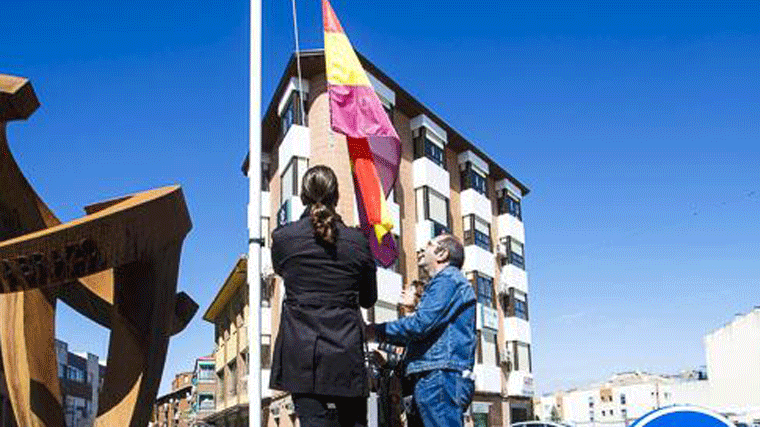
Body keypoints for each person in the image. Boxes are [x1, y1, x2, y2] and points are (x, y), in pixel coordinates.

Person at [270, 165, 378, 427]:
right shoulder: (358, 241)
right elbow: (368, 298)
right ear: (337, 196)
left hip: (301, 350)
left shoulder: (284, 238)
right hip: (346, 351)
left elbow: (282, 271)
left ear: (302, 196)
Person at [366, 234, 477, 427]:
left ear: (442, 254)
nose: (420, 250)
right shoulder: (449, 282)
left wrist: (375, 331)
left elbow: (420, 325)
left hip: (439, 376)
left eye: (429, 245)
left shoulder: (447, 280)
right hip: (438, 375)